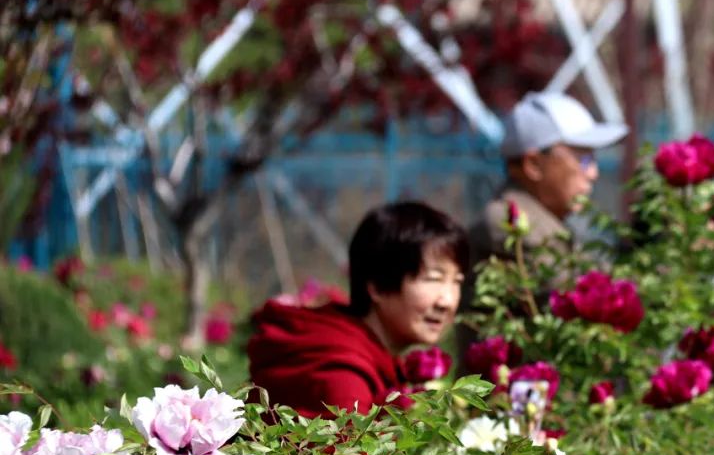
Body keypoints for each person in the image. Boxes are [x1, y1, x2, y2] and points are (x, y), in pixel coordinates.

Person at [247, 201, 468, 419]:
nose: (447, 301)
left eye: (457, 281)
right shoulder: (341, 378)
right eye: (433, 279)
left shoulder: (373, 357)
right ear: (377, 285)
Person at [469, 91, 628, 264]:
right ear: (534, 164)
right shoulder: (509, 224)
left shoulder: (548, 221)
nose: (593, 173)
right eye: (583, 159)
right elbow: (567, 279)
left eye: (592, 159)